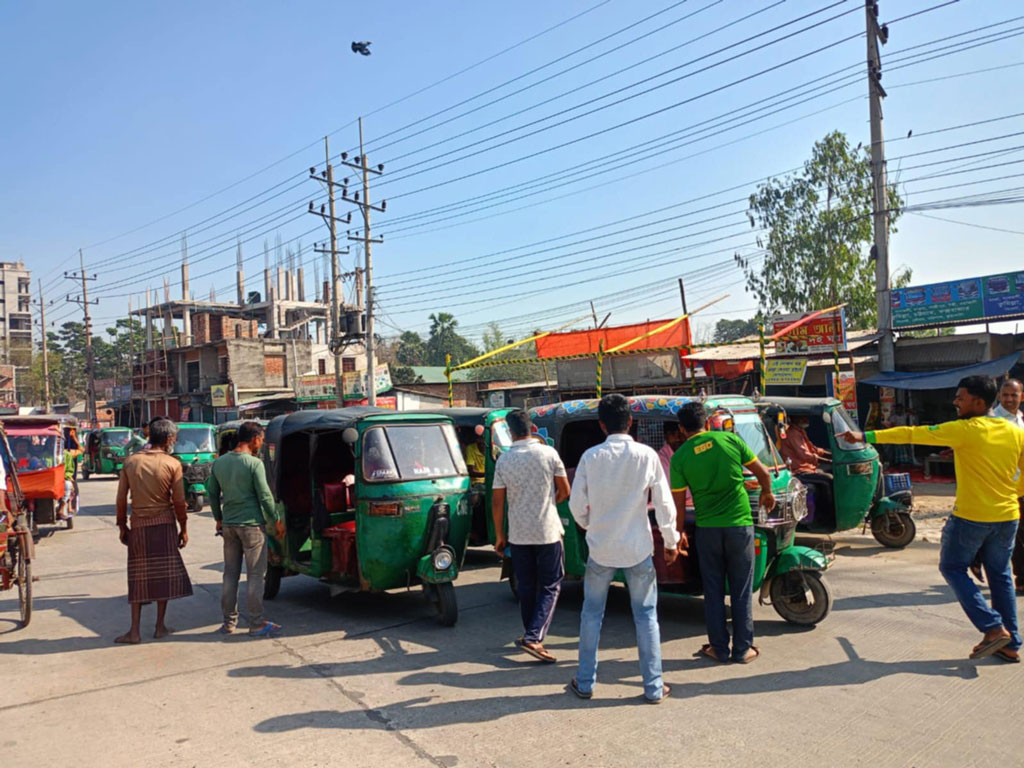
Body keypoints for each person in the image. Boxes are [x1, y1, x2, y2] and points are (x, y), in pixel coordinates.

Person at [840, 375, 1024, 662]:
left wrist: (866, 436)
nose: (955, 402)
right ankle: (1011, 643)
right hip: (1008, 515)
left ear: (978, 402)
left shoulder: (965, 429)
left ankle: (993, 628)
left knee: (952, 567)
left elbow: (914, 434)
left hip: (972, 518)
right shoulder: (1015, 431)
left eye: (960, 397)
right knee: (1000, 577)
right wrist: (1011, 497)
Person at [568, 394, 680, 703]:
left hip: (601, 548)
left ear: (601, 424)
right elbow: (664, 503)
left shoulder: (591, 457)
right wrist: (670, 541)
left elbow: (577, 505)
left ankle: (586, 682)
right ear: (630, 422)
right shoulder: (647, 455)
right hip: (638, 548)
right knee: (646, 616)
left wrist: (591, 525)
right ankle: (653, 687)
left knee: (591, 614)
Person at [670, 402, 776, 664]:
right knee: (740, 590)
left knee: (713, 590)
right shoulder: (730, 440)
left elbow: (679, 505)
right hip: (739, 526)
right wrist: (767, 492)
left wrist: (678, 532)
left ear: (682, 429)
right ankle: (743, 649)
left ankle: (719, 647)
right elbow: (763, 473)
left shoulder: (679, 458)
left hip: (707, 531)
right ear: (706, 422)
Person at [492, 409, 570, 663]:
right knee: (551, 584)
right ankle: (534, 637)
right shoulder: (548, 454)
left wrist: (500, 535)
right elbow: (564, 491)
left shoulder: (504, 460)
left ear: (510, 432)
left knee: (527, 586)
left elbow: (497, 502)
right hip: (547, 530)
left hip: (519, 533)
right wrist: (549, 503)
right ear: (532, 428)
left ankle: (530, 633)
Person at [114, 418, 192, 644]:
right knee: (163, 577)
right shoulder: (172, 464)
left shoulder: (131, 462)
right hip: (165, 525)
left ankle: (134, 631)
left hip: (138, 525)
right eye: (174, 438)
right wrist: (183, 528)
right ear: (168, 439)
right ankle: (159, 626)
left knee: (138, 578)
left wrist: (122, 525)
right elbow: (179, 501)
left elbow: (120, 498)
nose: (175, 441)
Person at [207, 420, 281, 638]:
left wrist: (218, 518)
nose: (262, 444)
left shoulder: (219, 463)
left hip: (229, 525)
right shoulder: (253, 464)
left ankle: (228, 623)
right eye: (262, 440)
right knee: (256, 576)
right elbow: (265, 495)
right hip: (252, 527)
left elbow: (211, 493)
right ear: (255, 439)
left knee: (230, 575)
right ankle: (257, 623)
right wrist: (275, 519)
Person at [991, 378, 1024, 593]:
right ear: (999, 396)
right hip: (1002, 488)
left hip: (1021, 486)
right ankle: (1020, 577)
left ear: (1022, 397)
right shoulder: (991, 420)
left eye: (1014, 395)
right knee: (1015, 534)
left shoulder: (1021, 419)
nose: (1010, 399)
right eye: (1006, 395)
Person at [780, 415, 833, 523]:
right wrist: (828, 461)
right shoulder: (792, 434)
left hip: (808, 468)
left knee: (828, 475)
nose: (806, 420)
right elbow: (804, 455)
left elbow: (813, 449)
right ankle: (827, 516)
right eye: (803, 418)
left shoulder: (800, 432)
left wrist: (830, 454)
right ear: (795, 419)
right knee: (828, 480)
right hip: (798, 471)